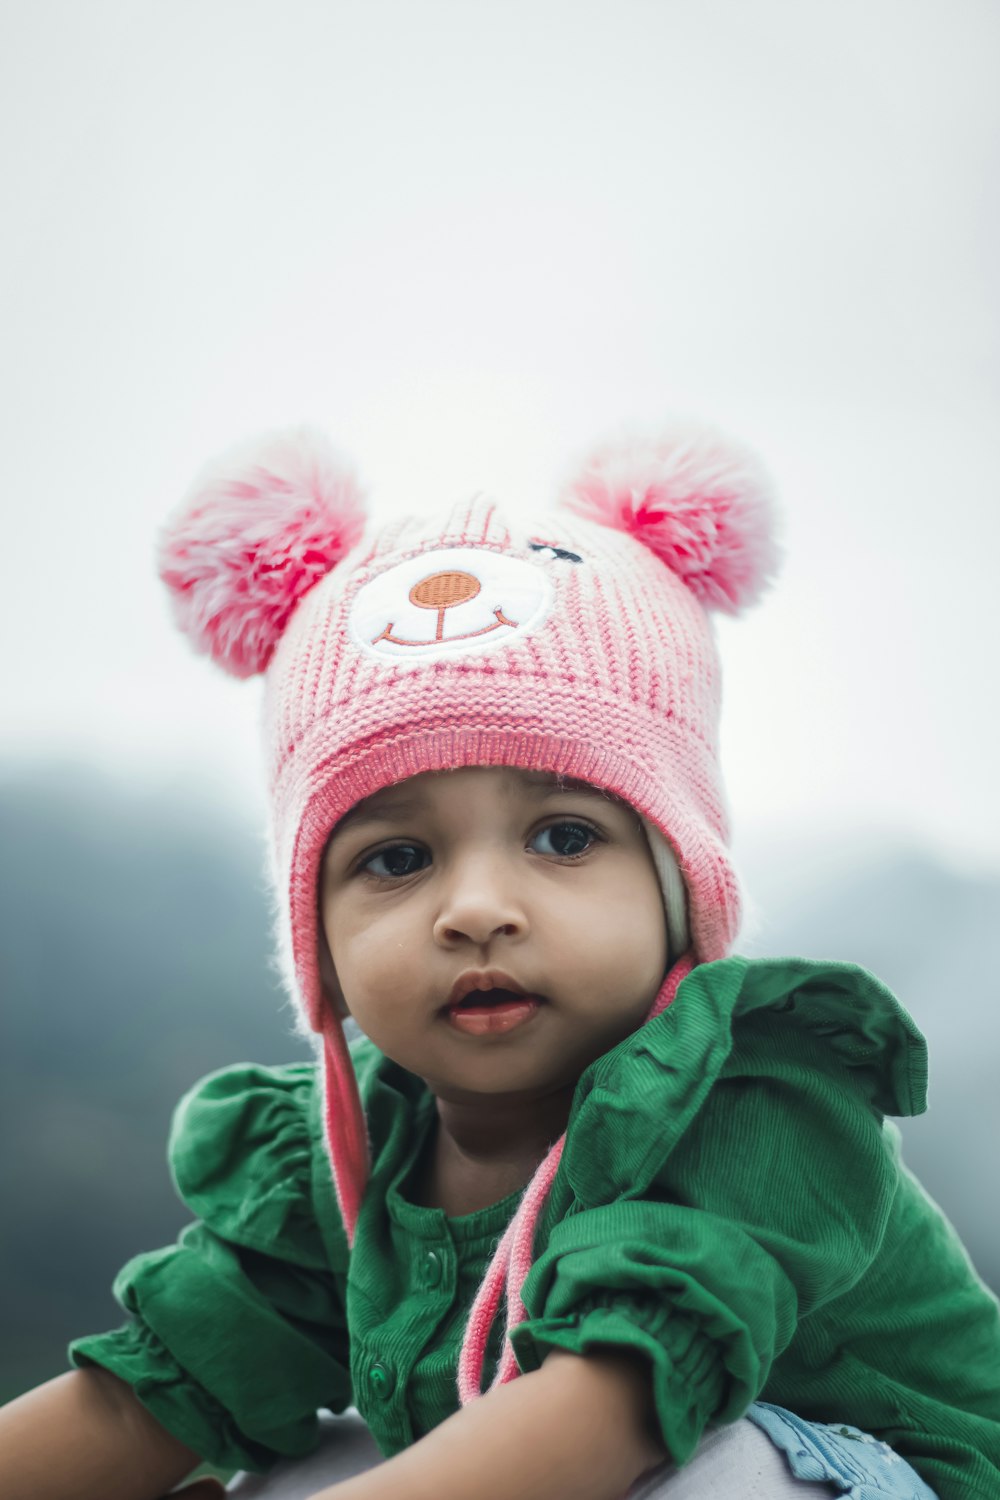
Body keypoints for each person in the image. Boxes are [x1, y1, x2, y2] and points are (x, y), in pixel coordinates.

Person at [1, 421, 998, 1500]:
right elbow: (141, 1400)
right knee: (299, 1463)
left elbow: (609, 1407)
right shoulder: (343, 1162)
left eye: (565, 837)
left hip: (865, 1472)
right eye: (396, 857)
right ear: (318, 948)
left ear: (679, 891)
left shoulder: (754, 1103)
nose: (475, 910)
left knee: (721, 1467)